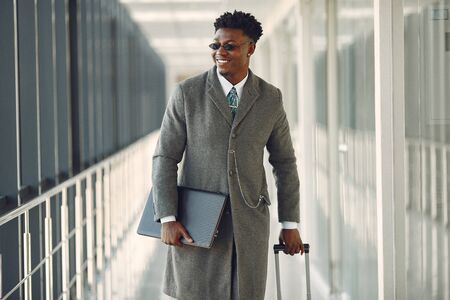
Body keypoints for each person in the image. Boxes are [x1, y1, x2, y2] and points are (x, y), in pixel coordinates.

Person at [152, 10, 304, 300]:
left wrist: (289, 223)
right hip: (196, 223)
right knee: (197, 292)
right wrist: (167, 217)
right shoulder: (187, 93)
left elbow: (284, 162)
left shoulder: (270, 98)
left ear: (251, 48)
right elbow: (165, 157)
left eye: (229, 46)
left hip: (249, 225)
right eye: (215, 45)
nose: (220, 52)